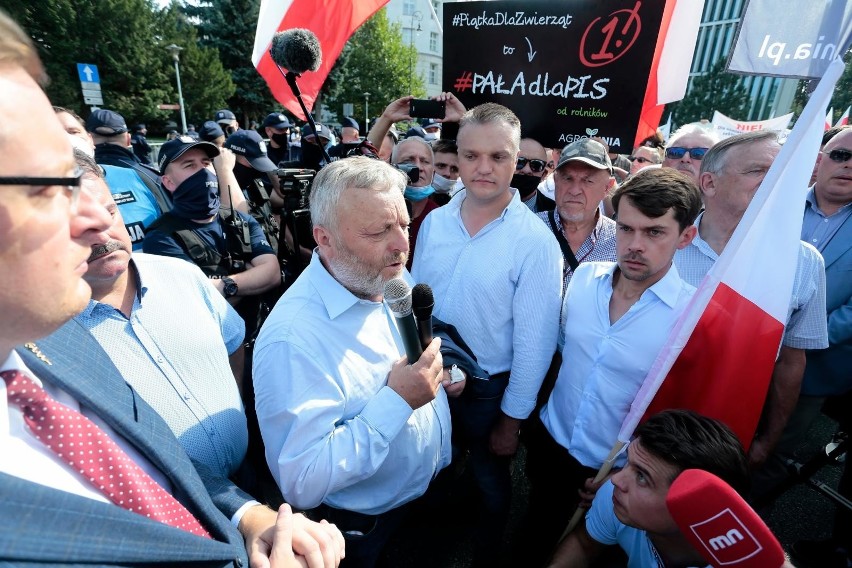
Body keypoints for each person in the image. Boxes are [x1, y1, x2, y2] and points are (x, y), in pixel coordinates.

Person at [0, 10, 342, 567]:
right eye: (46, 182)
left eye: (99, 193)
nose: (97, 220)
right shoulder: (60, 323)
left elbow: (151, 458)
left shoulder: (45, 352)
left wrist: (247, 515)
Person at [253, 156, 457, 567]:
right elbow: (302, 482)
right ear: (323, 238)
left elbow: (415, 357)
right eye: (379, 230)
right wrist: (398, 402)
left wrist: (443, 375)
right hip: (366, 531)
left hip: (427, 497)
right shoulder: (292, 339)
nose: (402, 243)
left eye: (403, 224)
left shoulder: (386, 273)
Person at [520, 167, 701, 566]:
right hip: (551, 443)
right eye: (625, 229)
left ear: (685, 237)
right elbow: (566, 352)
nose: (634, 245)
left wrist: (629, 473)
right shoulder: (584, 279)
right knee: (533, 536)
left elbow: (677, 410)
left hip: (617, 471)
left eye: (654, 232)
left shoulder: (693, 317)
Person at [412, 102, 564, 566]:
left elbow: (535, 345)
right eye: (472, 155)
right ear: (455, 156)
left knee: (491, 483)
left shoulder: (535, 242)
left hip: (488, 392)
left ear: (516, 161)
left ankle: (487, 556)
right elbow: (419, 300)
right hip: (433, 376)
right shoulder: (435, 222)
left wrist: (511, 420)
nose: (483, 168)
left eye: (498, 157)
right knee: (431, 468)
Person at [673, 130, 828, 471]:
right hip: (648, 426)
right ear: (709, 183)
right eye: (759, 170)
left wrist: (767, 441)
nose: (775, 181)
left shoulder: (804, 263)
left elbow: (791, 361)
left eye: (781, 172)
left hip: (728, 440)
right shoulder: (664, 246)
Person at [547, 410, 753, 568]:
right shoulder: (615, 496)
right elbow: (585, 543)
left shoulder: (742, 561)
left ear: (695, 507)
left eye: (642, 476)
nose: (617, 479)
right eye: (628, 463)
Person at [785, 126, 852, 567]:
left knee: (775, 449)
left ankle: (734, 520)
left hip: (816, 364)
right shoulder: (778, 203)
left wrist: (806, 336)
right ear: (820, 158)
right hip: (745, 346)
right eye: (842, 154)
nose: (849, 166)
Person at [537, 138, 618, 289]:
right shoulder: (529, 229)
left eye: (588, 181)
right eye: (568, 178)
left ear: (607, 187)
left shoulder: (620, 242)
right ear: (555, 180)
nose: (574, 190)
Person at [391, 136, 438, 270]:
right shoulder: (380, 215)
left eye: (425, 161)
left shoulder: (442, 219)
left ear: (433, 173)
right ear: (393, 167)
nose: (418, 167)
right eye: (408, 160)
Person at [516, 136, 556, 213]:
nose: (526, 170)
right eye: (519, 162)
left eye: (536, 165)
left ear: (544, 174)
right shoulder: (486, 202)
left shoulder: (555, 213)